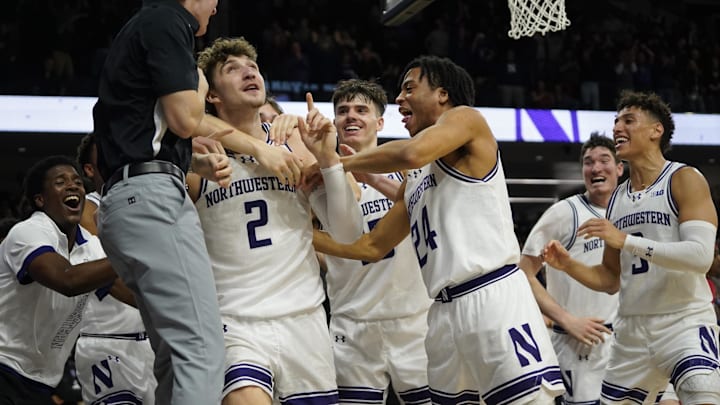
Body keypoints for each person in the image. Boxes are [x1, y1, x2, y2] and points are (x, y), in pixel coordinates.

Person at [312, 56, 564, 404]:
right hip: (442, 313)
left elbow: (412, 152)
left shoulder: (466, 118)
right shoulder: (415, 178)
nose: (400, 98)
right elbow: (370, 247)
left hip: (492, 296)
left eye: (409, 88)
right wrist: (300, 235)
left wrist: (337, 162)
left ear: (442, 94)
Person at [92, 1, 303, 403]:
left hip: (129, 198)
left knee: (175, 356)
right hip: (152, 200)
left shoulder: (139, 29)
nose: (218, 5)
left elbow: (137, 128)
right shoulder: (169, 20)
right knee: (201, 350)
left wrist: (190, 160)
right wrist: (258, 147)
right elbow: (185, 119)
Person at [191, 36, 362, 405]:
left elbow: (348, 234)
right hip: (234, 320)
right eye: (231, 69)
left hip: (304, 316)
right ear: (212, 96)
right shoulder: (197, 151)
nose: (248, 71)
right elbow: (179, 118)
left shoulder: (296, 144)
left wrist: (329, 158)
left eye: (251, 66)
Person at [544, 90, 720, 404]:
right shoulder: (619, 200)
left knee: (700, 395)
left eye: (628, 120)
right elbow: (610, 279)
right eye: (615, 122)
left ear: (656, 131)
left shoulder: (684, 178)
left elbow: (701, 256)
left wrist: (626, 241)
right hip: (631, 331)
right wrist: (568, 264)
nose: (616, 129)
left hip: (684, 322)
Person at [325, 79, 432, 405]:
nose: (350, 117)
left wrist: (368, 174)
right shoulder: (322, 179)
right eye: (342, 111)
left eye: (361, 110)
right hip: (352, 322)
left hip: (414, 319)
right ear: (334, 123)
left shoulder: (410, 169)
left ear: (380, 122)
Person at [0, 156, 118, 404]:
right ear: (40, 200)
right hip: (4, 367)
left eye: (77, 181)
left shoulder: (92, 247)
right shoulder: (27, 232)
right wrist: (134, 253)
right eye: (60, 182)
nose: (73, 186)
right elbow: (67, 281)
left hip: (41, 382)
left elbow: (131, 294)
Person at [519, 133, 622, 403]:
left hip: (624, 343)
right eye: (588, 162)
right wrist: (566, 319)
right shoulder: (564, 212)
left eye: (604, 160)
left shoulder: (631, 213)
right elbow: (522, 273)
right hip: (575, 344)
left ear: (620, 168)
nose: (596, 168)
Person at [74, 132, 157, 404]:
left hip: (152, 341)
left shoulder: (142, 201)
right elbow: (111, 276)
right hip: (106, 340)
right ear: (89, 169)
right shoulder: (85, 210)